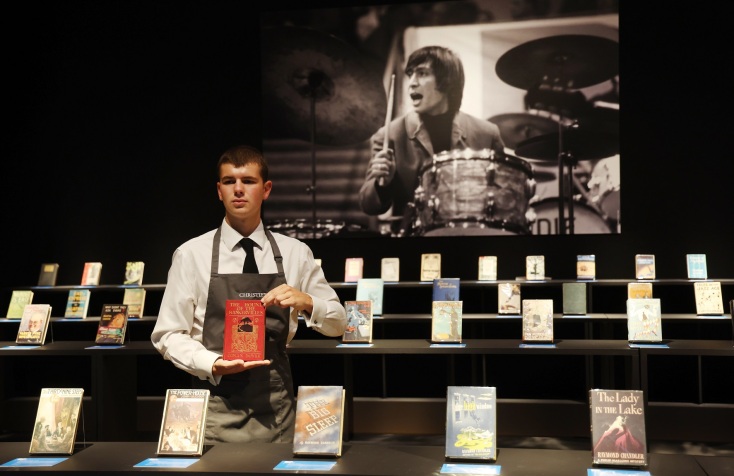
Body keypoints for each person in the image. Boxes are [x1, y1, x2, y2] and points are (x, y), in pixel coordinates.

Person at [151, 145, 347, 444]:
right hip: (214, 402)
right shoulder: (190, 254)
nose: (238, 189)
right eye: (229, 181)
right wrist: (211, 363)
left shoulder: (295, 253)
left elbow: (339, 324)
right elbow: (168, 334)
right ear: (219, 191)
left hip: (276, 404)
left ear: (266, 189)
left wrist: (308, 302)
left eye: (249, 181)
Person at [359, 45, 505, 235]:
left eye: (422, 73)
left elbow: (504, 194)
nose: (412, 83)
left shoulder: (487, 133)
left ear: (447, 81)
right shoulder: (390, 134)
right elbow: (368, 206)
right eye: (410, 74)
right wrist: (383, 185)